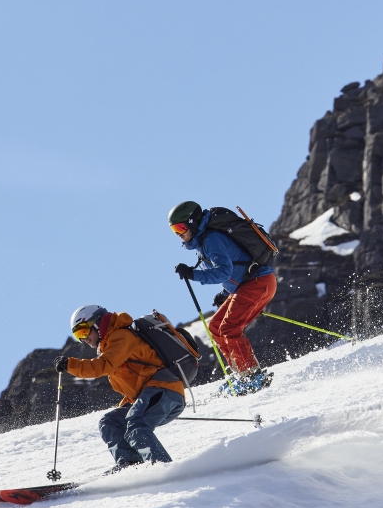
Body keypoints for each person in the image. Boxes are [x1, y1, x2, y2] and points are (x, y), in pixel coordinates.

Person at [55, 304, 186, 470]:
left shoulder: (121, 336)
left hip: (165, 390)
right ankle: (130, 464)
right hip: (151, 395)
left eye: (84, 331)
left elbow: (103, 365)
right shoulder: (109, 345)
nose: (84, 339)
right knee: (110, 422)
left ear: (98, 324)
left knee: (136, 424)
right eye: (78, 335)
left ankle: (162, 468)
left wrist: (70, 365)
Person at [168, 200, 277, 395]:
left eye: (181, 227)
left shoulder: (211, 239)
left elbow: (224, 272)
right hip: (253, 284)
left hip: (258, 282)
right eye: (174, 230)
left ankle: (251, 374)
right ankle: (240, 374)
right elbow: (235, 268)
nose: (179, 234)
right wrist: (225, 294)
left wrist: (193, 275)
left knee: (229, 327)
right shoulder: (204, 242)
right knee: (216, 327)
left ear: (192, 222)